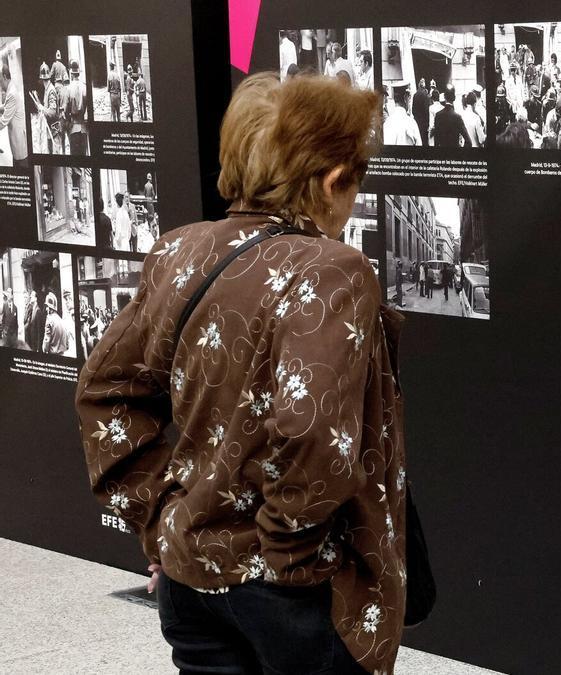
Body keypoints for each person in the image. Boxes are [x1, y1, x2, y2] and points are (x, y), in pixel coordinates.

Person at [75, 72, 406, 675]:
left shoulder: (177, 251)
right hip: (294, 593)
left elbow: (105, 392)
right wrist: (287, 552)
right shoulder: (333, 270)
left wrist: (160, 519)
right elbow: (312, 428)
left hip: (187, 579)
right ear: (333, 180)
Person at [0, 60, 28, 167]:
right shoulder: (11, 88)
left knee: (21, 172)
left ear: (5, 77)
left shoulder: (11, 93)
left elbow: (3, 122)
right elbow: (7, 107)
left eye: (0, 79)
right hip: (17, 144)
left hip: (19, 147)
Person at [65, 61, 87, 155]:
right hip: (83, 127)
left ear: (71, 74)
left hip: (73, 127)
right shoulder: (84, 87)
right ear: (78, 73)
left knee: (75, 160)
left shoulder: (68, 89)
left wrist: (68, 122)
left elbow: (66, 110)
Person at [413, 78, 431, 146]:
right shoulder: (425, 95)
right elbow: (427, 110)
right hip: (424, 122)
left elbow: (413, 110)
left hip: (417, 121)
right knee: (425, 141)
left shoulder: (415, 95)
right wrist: (427, 122)